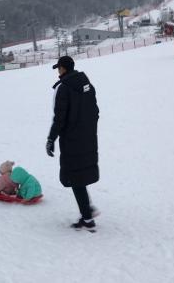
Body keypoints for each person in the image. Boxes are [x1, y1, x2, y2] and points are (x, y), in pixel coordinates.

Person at [46, 56, 100, 230]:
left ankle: (87, 217)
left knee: (74, 176)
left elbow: (59, 119)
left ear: (63, 69)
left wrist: (51, 139)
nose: (58, 71)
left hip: (72, 140)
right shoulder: (87, 84)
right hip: (88, 137)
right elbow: (95, 112)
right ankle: (87, 210)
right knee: (79, 174)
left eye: (59, 68)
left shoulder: (64, 88)